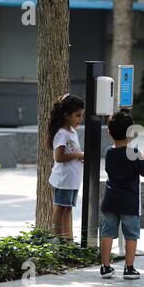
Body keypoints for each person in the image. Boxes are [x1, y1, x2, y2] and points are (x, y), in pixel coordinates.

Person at [99, 109, 144, 279]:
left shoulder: (109, 152)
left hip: (110, 200)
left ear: (109, 132)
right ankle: (129, 268)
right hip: (129, 202)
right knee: (131, 235)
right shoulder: (134, 153)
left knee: (107, 233)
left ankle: (105, 266)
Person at [48, 94, 85, 240]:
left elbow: (71, 153)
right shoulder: (62, 133)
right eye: (77, 115)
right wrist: (79, 155)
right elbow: (59, 157)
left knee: (68, 209)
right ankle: (58, 239)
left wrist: (79, 157)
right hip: (64, 179)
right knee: (60, 208)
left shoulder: (72, 132)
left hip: (73, 179)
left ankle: (68, 240)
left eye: (81, 116)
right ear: (66, 115)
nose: (79, 119)